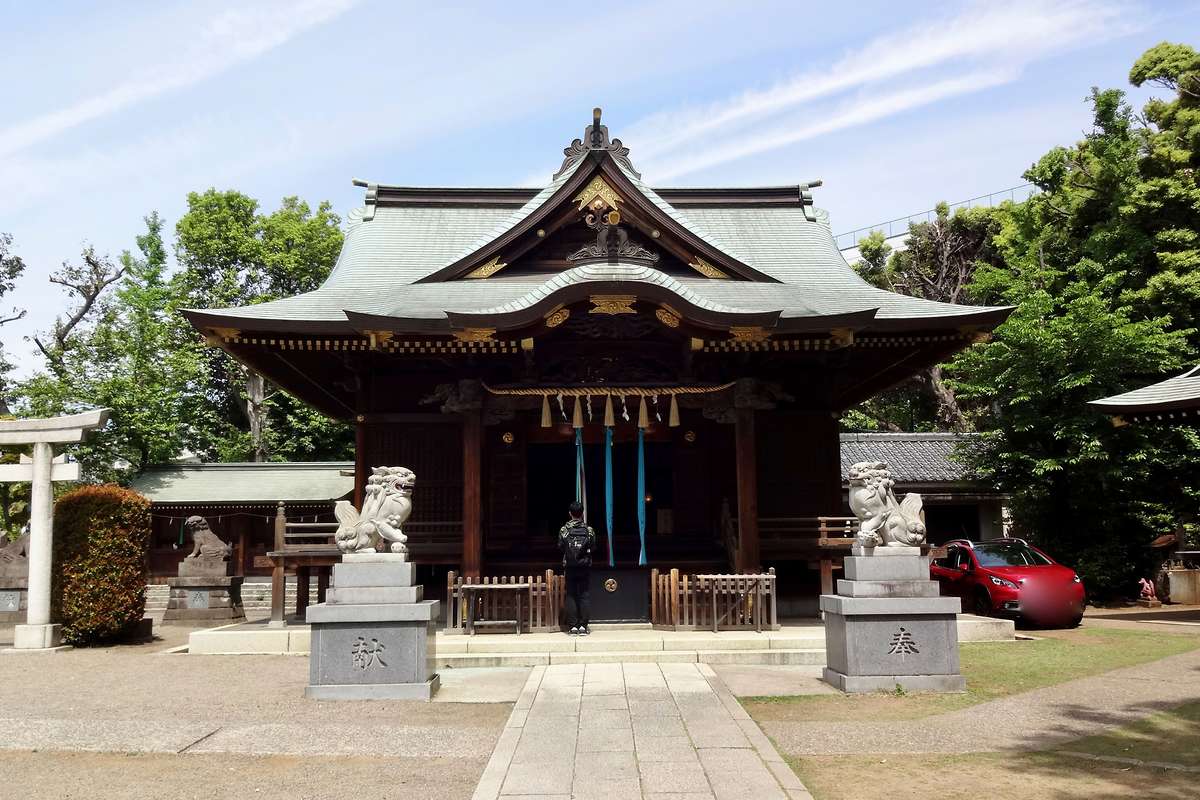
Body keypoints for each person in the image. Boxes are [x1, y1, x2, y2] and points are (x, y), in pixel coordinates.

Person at [558, 500, 595, 635]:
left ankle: (573, 626)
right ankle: (583, 626)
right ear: (582, 513)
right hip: (584, 566)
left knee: (571, 594)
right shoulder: (589, 530)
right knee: (584, 594)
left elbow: (561, 546)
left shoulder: (564, 529)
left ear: (570, 513)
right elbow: (593, 547)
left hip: (570, 565)